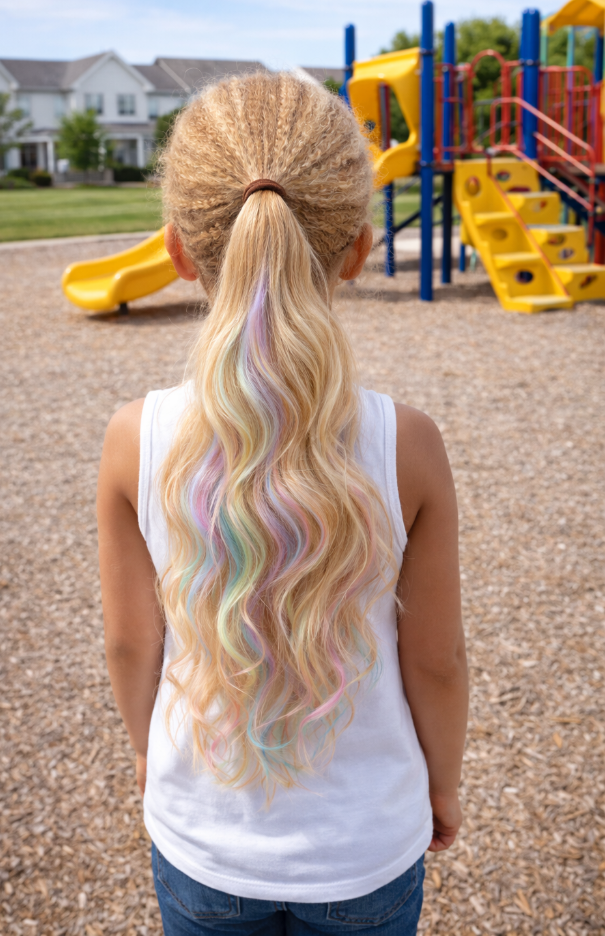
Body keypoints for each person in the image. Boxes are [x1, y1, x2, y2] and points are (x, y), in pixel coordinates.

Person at [97, 72, 468, 936]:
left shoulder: (134, 437)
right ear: (358, 251)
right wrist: (441, 782)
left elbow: (128, 640)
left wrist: (150, 755)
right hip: (365, 847)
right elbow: (438, 660)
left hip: (203, 844)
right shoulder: (405, 442)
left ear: (180, 251)